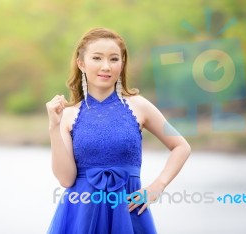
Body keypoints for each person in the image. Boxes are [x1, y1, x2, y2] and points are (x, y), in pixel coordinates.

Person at [46, 27, 191, 234]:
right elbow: (66, 179)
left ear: (122, 64)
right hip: (82, 213)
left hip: (129, 213)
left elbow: (181, 146)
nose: (106, 66)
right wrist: (53, 126)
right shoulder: (67, 114)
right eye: (97, 58)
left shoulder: (140, 106)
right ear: (81, 63)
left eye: (114, 59)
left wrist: (158, 185)